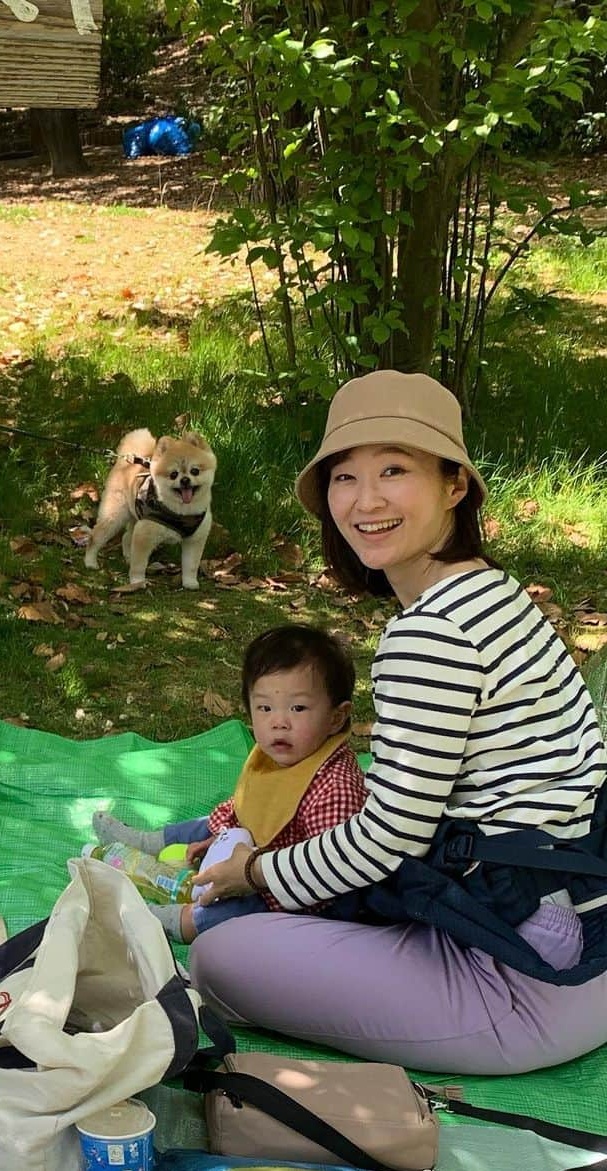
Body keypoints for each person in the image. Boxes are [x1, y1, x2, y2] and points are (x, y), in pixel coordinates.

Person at [190, 369, 607, 1075]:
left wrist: (254, 871)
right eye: (344, 477)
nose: (366, 500)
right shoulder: (493, 592)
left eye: (394, 469)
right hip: (578, 929)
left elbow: (390, 837)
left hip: (522, 983)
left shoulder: (430, 635)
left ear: (455, 486)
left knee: (218, 958)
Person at [93, 625, 366, 942]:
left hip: (297, 900)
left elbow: (325, 874)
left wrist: (249, 871)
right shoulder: (281, 752)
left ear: (336, 717)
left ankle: (172, 922)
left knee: (236, 911)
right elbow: (249, 810)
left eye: (298, 708)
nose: (279, 721)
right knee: (211, 819)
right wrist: (222, 840)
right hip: (252, 853)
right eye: (265, 708)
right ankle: (148, 841)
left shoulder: (336, 787)